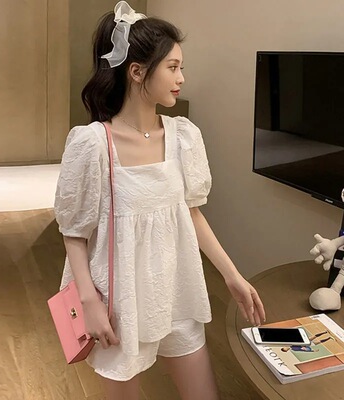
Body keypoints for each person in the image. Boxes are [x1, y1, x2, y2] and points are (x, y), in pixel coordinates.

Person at [54, 2, 266, 399]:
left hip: (176, 289)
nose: (181, 78)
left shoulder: (184, 136)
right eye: (172, 67)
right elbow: (74, 231)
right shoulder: (92, 144)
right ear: (137, 72)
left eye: (181, 67)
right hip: (118, 301)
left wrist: (232, 275)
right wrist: (89, 301)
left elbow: (191, 214)